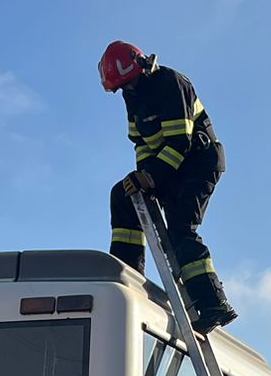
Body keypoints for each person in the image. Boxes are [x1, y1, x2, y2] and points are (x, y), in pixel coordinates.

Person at [98, 40, 236, 334]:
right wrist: (142, 178)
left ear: (141, 68)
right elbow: (141, 143)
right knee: (122, 195)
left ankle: (212, 303)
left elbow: (179, 142)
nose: (127, 90)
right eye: (122, 87)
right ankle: (127, 272)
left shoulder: (171, 83)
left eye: (129, 83)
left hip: (198, 163)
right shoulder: (132, 94)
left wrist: (151, 177)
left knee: (180, 229)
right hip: (168, 166)